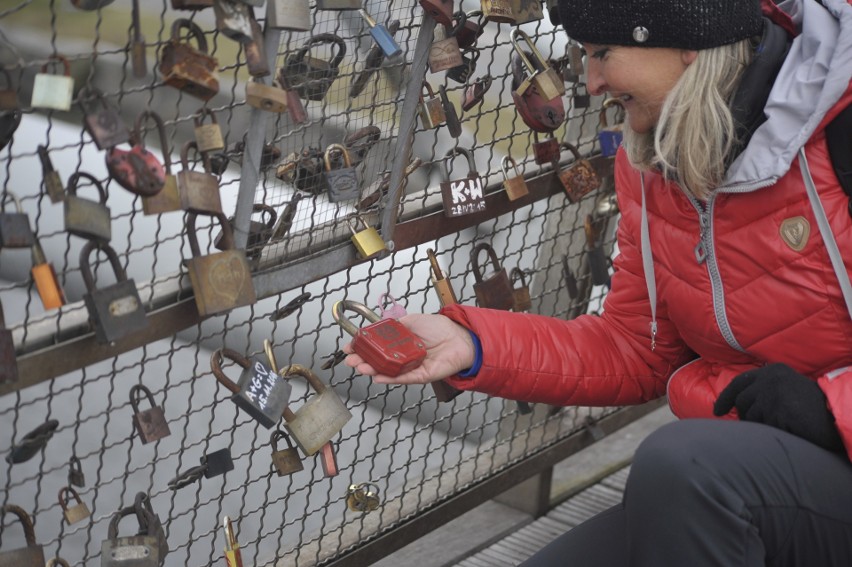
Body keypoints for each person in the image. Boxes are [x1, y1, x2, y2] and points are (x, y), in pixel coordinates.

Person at [345, 0, 852, 564]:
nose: (590, 81)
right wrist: (472, 343)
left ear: (690, 40)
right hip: (740, 468)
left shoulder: (841, 132)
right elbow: (638, 349)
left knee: (683, 467)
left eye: (603, 53)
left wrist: (830, 409)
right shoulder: (654, 160)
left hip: (785, 460)